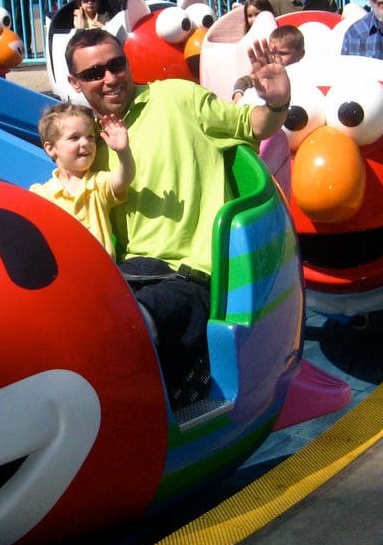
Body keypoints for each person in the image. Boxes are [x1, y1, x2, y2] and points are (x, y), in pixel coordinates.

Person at [65, 27, 291, 406]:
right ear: (75, 82)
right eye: (93, 73)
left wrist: (277, 103)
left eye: (116, 65)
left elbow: (252, 125)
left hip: (187, 276)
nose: (109, 79)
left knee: (127, 326)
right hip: (125, 276)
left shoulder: (176, 98)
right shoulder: (86, 141)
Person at [29, 103, 135, 259]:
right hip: (67, 274)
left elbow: (124, 178)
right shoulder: (41, 194)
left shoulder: (97, 183)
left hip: (103, 273)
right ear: (51, 148)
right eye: (74, 137)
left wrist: (123, 151)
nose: (85, 143)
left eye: (90, 137)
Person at [233, 24, 302, 101]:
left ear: (301, 54)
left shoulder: (305, 73)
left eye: (282, 53)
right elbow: (244, 81)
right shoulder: (267, 71)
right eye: (272, 53)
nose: (276, 57)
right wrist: (238, 93)